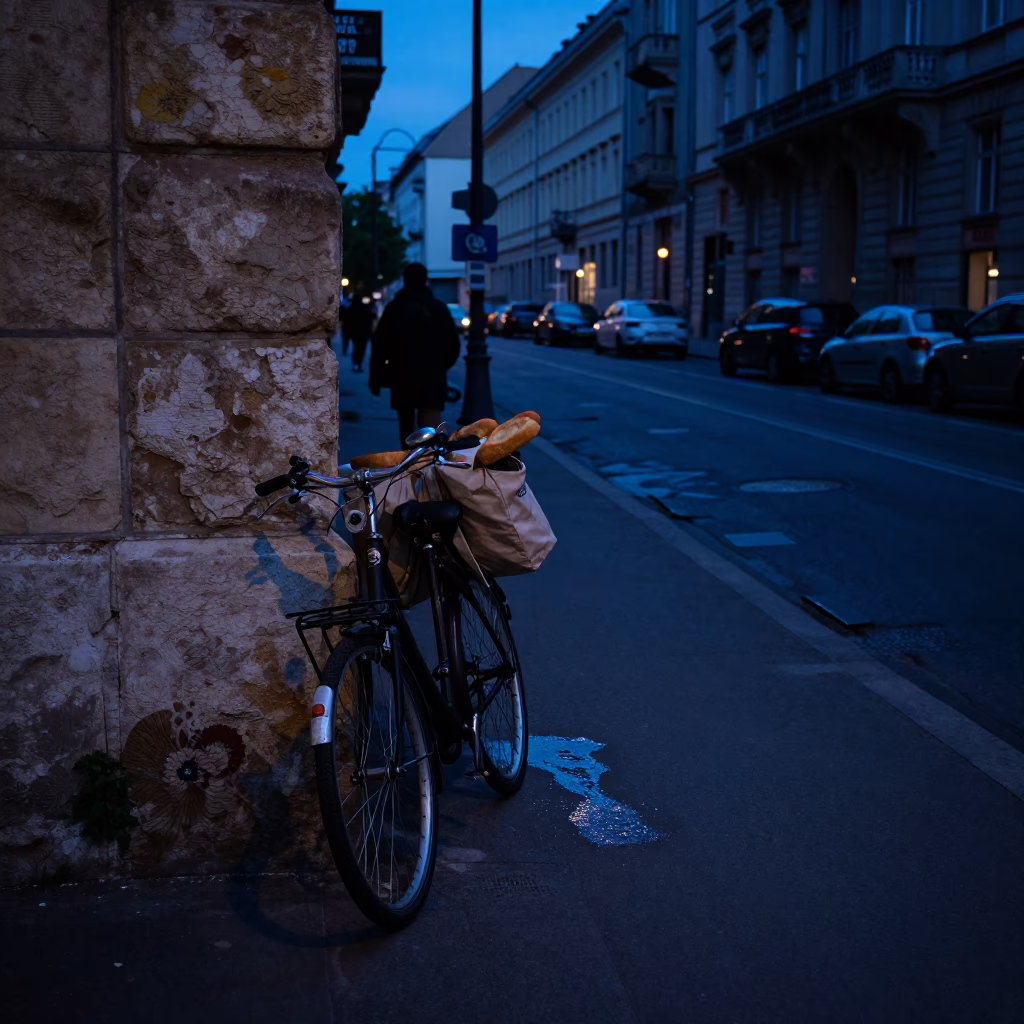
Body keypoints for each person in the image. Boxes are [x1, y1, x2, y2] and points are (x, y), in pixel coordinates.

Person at [369, 262, 461, 445]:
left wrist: (377, 377)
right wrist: (440, 366)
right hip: (432, 378)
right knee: (430, 431)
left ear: (405, 280)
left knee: (406, 428)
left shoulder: (395, 308)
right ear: (426, 280)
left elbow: (380, 345)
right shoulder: (439, 308)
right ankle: (427, 466)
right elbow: (453, 345)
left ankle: (408, 465)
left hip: (403, 377)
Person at [345, 294, 375, 373]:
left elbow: (347, 321)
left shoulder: (351, 309)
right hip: (364, 332)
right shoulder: (366, 308)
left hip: (355, 332)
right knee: (362, 349)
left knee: (356, 347)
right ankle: (358, 363)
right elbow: (371, 318)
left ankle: (356, 363)